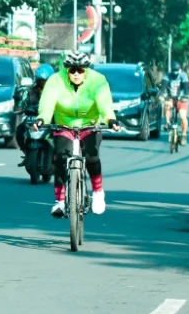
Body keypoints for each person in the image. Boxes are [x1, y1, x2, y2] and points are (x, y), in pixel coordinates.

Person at [33, 51, 120, 218]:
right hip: (64, 124)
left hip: (90, 124)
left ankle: (97, 192)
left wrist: (111, 120)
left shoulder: (98, 81)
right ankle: (60, 201)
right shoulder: (56, 81)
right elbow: (47, 103)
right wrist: (41, 119)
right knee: (59, 158)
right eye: (72, 70)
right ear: (67, 70)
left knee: (92, 157)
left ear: (86, 70)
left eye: (80, 70)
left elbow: (104, 103)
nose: (76, 74)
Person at [16, 63, 56, 164]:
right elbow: (22, 102)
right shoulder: (29, 91)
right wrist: (20, 107)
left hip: (50, 120)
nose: (43, 83)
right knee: (20, 130)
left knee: (60, 133)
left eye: (45, 80)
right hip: (33, 119)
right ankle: (26, 152)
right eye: (41, 80)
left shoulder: (56, 91)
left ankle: (57, 156)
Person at [162, 62, 189, 145]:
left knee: (182, 116)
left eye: (176, 70)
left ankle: (184, 135)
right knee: (167, 104)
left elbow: (186, 87)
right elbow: (163, 86)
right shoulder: (167, 75)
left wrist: (185, 96)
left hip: (181, 99)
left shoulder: (183, 75)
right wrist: (161, 95)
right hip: (171, 98)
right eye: (173, 70)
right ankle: (167, 123)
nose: (175, 72)